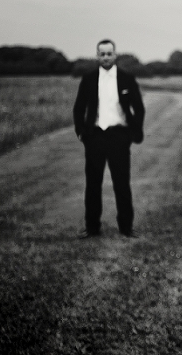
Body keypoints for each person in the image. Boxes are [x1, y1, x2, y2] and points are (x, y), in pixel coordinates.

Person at [73, 39, 145, 238]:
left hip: (118, 136)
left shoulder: (126, 78)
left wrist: (132, 133)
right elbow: (79, 108)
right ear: (97, 56)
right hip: (94, 136)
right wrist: (81, 132)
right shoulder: (88, 79)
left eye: (109, 53)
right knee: (93, 184)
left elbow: (138, 108)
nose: (105, 57)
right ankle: (92, 227)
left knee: (121, 183)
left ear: (115, 55)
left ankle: (126, 227)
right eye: (102, 54)